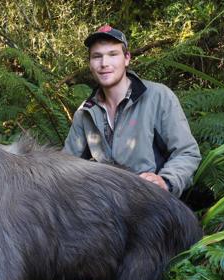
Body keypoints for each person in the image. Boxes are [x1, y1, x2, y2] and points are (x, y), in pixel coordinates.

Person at [63, 25, 201, 197]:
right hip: (105, 209)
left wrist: (165, 181)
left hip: (153, 206)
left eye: (113, 54)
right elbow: (65, 167)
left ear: (127, 58)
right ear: (90, 64)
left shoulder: (158, 97)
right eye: (97, 56)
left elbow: (187, 152)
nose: (104, 63)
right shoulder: (85, 112)